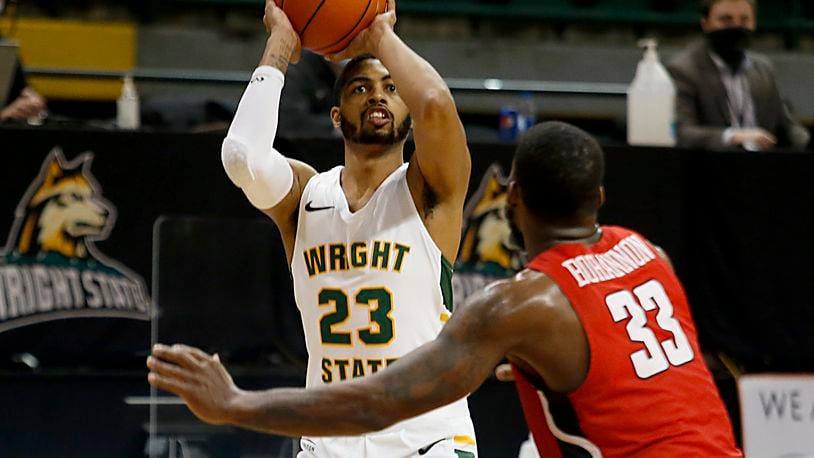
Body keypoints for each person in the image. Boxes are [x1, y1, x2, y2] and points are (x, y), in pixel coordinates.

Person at [147, 121, 743, 458]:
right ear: (602, 201)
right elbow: (654, 371)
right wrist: (541, 361)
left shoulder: (522, 304)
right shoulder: (649, 254)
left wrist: (235, 404)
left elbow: (377, 402)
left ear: (510, 197)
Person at [206, 0, 475, 456]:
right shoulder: (304, 196)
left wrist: (380, 36)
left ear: (406, 116)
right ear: (336, 117)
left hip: (426, 441)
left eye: (391, 88)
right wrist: (281, 44)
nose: (377, 95)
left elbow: (434, 103)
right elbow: (241, 157)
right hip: (329, 443)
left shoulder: (428, 189)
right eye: (359, 88)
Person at [667, 0, 810, 151]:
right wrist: (733, 137)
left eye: (744, 20)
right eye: (726, 20)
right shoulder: (684, 70)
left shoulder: (763, 69)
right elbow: (683, 133)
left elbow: (786, 126)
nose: (736, 27)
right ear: (706, 23)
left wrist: (806, 141)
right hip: (710, 167)